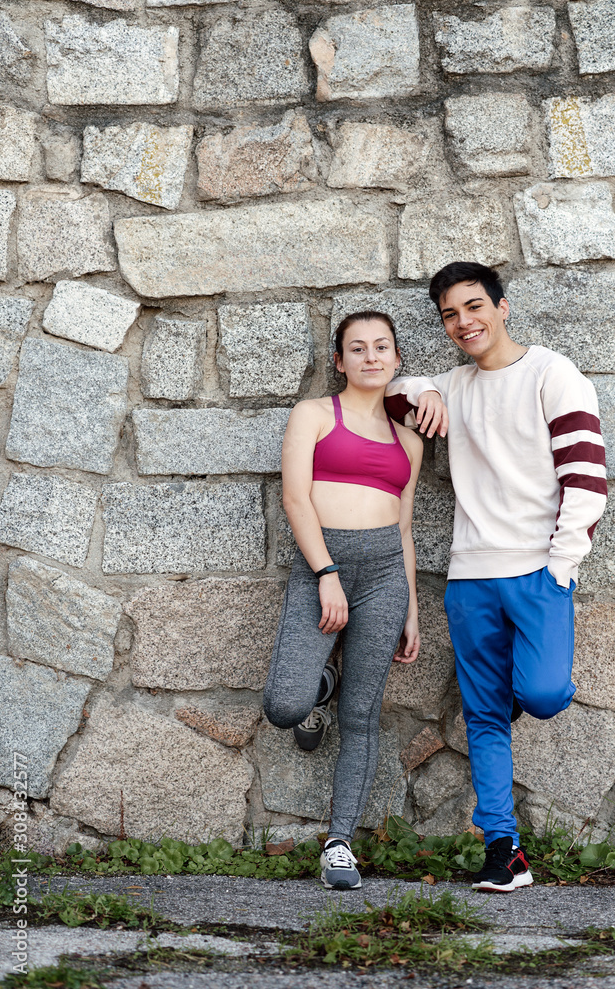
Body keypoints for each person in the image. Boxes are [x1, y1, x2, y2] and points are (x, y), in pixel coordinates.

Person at [385, 262, 607, 893]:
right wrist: (424, 390)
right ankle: (503, 851)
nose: (464, 322)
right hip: (470, 577)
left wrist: (560, 568)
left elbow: (587, 480)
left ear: (502, 307)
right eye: (450, 314)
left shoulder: (551, 373)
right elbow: (397, 396)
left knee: (540, 693)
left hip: (538, 571)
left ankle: (515, 694)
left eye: (475, 307)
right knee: (484, 716)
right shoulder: (452, 387)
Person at [263, 310, 432, 891]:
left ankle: (339, 843)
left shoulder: (408, 441)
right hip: (322, 567)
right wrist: (327, 572)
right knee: (284, 705)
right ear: (339, 361)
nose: (370, 357)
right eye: (356, 348)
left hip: (386, 573)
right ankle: (317, 691)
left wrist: (411, 607)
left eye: (381, 347)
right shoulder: (313, 415)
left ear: (396, 358)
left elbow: (406, 529)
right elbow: (294, 500)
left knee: (362, 716)